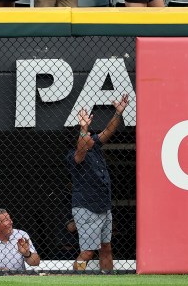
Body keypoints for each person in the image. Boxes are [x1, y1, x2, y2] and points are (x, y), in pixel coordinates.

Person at [68, 94, 129, 271]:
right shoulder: (74, 156)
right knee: (87, 252)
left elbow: (108, 131)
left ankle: (107, 279)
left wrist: (118, 113)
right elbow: (80, 152)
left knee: (106, 247)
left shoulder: (94, 146)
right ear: (80, 137)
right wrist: (83, 128)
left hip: (103, 206)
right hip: (87, 208)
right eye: (87, 134)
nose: (91, 136)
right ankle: (73, 280)